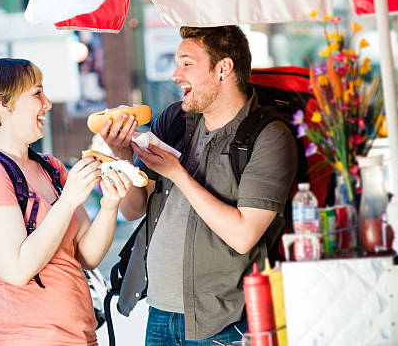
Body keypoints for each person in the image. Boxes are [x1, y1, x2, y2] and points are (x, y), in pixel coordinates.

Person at [100, 26, 298, 345]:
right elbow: (133, 209)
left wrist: (178, 174)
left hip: (227, 322)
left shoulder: (269, 137)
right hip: (160, 313)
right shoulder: (174, 121)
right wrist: (122, 157)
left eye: (187, 63)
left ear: (223, 68)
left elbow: (243, 235)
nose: (176, 75)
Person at [0, 58, 131, 345]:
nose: (47, 103)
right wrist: (69, 201)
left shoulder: (50, 167)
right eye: (37, 93)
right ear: (4, 105)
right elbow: (17, 269)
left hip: (79, 337)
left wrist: (110, 205)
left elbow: (87, 256)